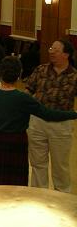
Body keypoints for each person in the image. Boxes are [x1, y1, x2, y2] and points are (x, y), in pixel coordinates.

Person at [0, 57, 77, 186]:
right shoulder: (23, 99)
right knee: (14, 182)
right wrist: (73, 114)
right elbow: (48, 114)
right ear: (19, 74)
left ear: (0, 73)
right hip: (17, 143)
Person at [26, 39, 77, 192]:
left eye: (56, 50)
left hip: (61, 126)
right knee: (37, 165)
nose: (51, 52)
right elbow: (28, 90)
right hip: (37, 123)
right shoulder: (41, 70)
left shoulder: (74, 76)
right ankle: (38, 197)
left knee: (60, 167)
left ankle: (62, 200)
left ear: (66, 55)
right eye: (50, 48)